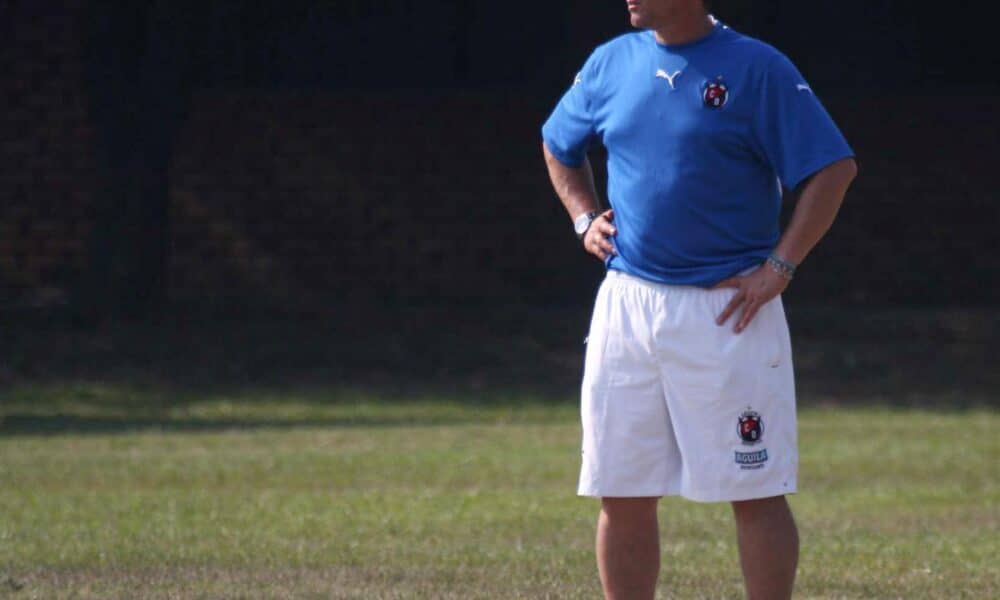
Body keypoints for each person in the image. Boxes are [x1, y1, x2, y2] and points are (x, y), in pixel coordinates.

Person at [540, 1, 858, 598]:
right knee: (622, 489)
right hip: (627, 303)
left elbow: (833, 168)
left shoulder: (756, 67)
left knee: (754, 489)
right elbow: (559, 143)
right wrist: (584, 218)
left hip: (729, 307)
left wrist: (781, 266)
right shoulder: (610, 61)